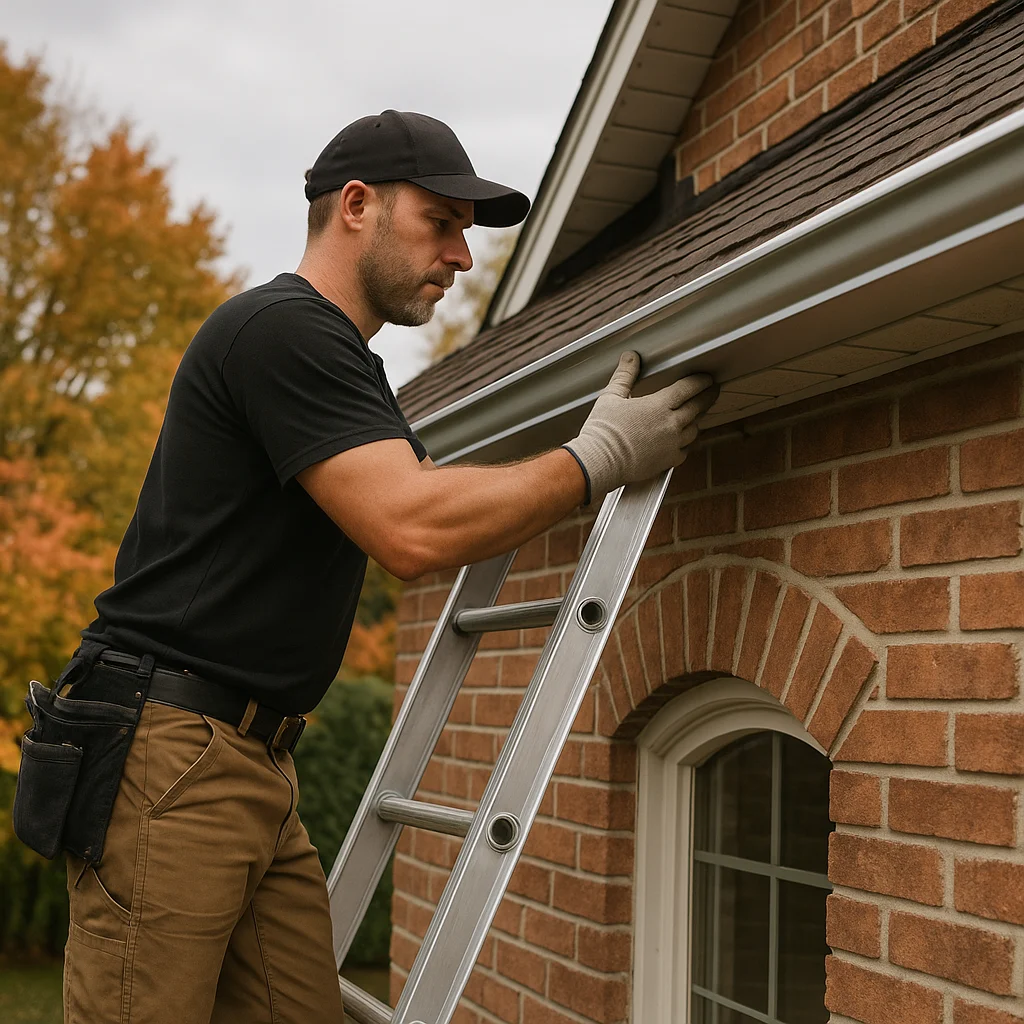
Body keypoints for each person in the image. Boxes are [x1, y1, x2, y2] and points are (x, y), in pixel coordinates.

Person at [36, 110, 715, 1023]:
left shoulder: (340, 368)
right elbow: (411, 528)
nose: (463, 258)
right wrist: (594, 461)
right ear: (356, 204)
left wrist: (555, 464)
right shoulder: (283, 330)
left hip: (249, 762)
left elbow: (423, 493)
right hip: (173, 758)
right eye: (441, 224)